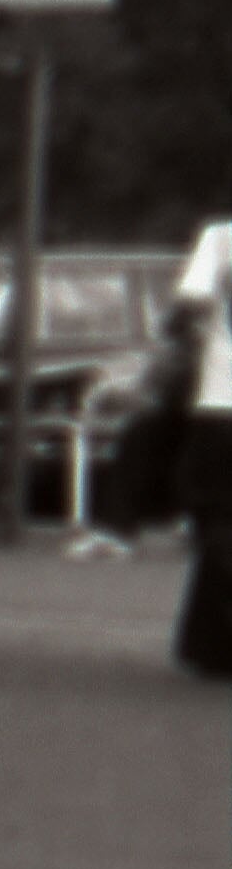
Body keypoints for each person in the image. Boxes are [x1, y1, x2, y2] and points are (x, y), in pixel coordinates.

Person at [166, 221, 232, 682]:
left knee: (219, 522)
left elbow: (187, 310)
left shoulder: (221, 238)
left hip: (221, 401)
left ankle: (207, 642)